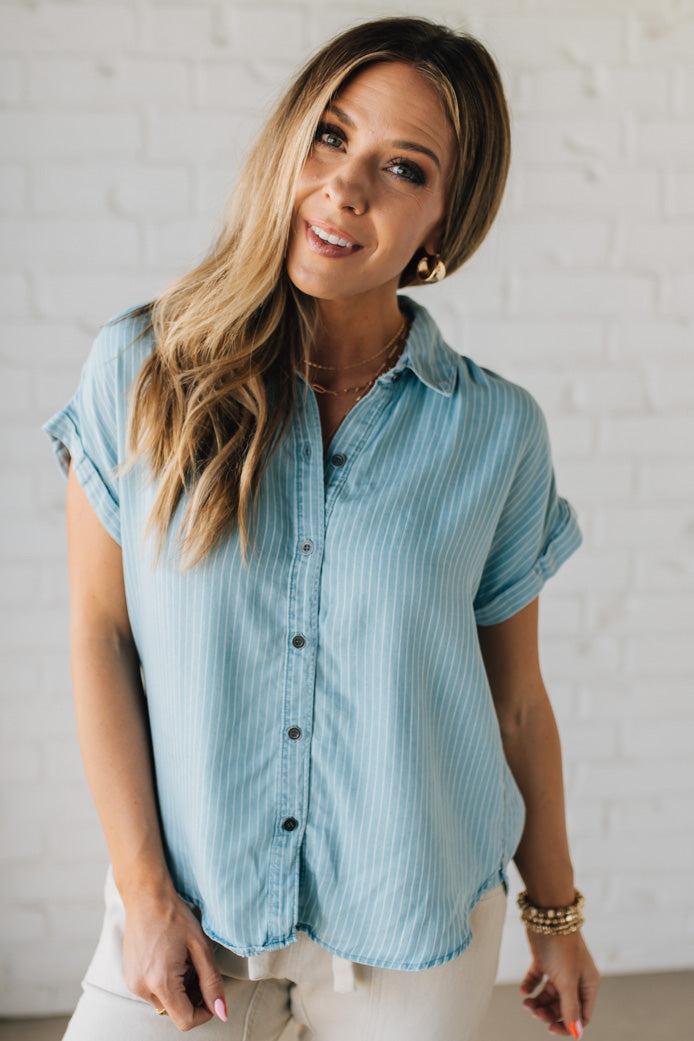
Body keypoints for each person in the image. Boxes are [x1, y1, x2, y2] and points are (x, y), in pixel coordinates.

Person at [41, 15, 601, 1041]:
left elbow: (513, 704)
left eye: (404, 169)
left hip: (414, 923)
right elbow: (100, 635)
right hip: (189, 913)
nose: (347, 187)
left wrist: (554, 916)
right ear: (287, 143)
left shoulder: (493, 430)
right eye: (332, 136)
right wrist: (146, 897)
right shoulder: (140, 371)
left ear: (445, 218)